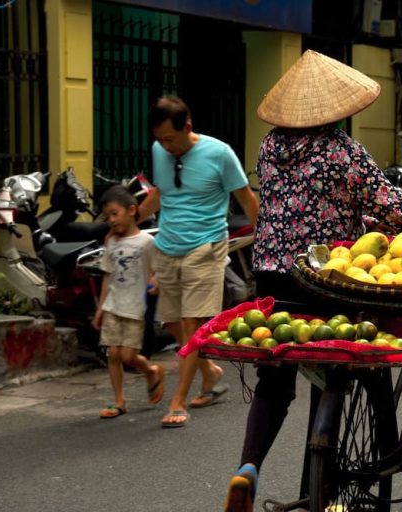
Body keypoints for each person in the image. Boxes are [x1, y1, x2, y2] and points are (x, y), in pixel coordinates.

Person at [223, 50, 402, 512]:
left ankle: (247, 468)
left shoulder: (270, 146)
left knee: (277, 378)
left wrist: (363, 218)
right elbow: (401, 210)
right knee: (356, 357)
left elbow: (313, 205)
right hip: (329, 277)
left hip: (272, 275)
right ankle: (336, 485)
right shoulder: (342, 151)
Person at [137, 96, 259, 428]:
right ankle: (212, 373)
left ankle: (178, 401)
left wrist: (266, 243)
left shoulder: (220, 154)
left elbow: (245, 197)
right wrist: (130, 220)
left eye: (171, 139)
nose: (165, 146)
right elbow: (161, 192)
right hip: (167, 245)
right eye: (160, 139)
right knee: (173, 324)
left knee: (192, 325)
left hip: (205, 246)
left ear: (187, 128)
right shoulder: (159, 150)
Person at [93, 185, 165, 419]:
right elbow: (107, 275)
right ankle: (119, 401)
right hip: (114, 305)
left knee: (127, 356)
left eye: (115, 214)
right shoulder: (111, 242)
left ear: (132, 210)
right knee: (112, 354)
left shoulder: (146, 242)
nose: (111, 220)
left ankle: (151, 370)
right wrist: (100, 308)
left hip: (135, 307)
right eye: (107, 217)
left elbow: (157, 270)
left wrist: (155, 282)